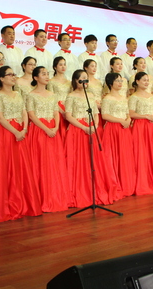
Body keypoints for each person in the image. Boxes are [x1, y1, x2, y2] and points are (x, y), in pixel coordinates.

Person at [0, 66, 42, 222]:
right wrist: (15, 132)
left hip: (20, 132)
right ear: (2, 78)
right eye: (9, 75)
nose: (13, 77)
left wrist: (24, 129)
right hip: (5, 133)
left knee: (21, 166)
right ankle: (4, 205)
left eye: (13, 74)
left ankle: (24, 203)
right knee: (5, 167)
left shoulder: (18, 94)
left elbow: (24, 112)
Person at [64, 69, 120, 207]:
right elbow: (68, 116)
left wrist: (94, 124)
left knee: (93, 161)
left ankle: (94, 190)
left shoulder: (90, 95)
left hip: (91, 129)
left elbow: (95, 112)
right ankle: (79, 191)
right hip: (77, 131)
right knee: (78, 161)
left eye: (86, 78)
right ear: (76, 80)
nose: (85, 81)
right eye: (82, 78)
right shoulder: (71, 96)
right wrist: (83, 128)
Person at [25, 66, 69, 212]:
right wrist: (46, 129)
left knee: (54, 162)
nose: (46, 76)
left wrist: (55, 127)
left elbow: (56, 112)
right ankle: (42, 197)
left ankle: (55, 195)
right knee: (41, 162)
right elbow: (32, 115)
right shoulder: (31, 95)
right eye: (43, 74)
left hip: (52, 129)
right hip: (39, 131)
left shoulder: (52, 94)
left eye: (47, 73)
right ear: (35, 77)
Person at [101, 72, 136, 197]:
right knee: (114, 155)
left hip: (124, 128)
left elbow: (127, 113)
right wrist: (121, 121)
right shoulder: (107, 98)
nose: (120, 83)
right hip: (113, 129)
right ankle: (115, 182)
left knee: (125, 155)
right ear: (111, 83)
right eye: (117, 81)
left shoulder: (123, 98)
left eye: (121, 81)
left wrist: (128, 120)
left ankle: (127, 184)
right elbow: (105, 115)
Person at [47, 56, 71, 137]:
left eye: (64, 64)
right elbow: (51, 98)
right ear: (55, 67)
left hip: (68, 107)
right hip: (57, 108)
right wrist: (61, 111)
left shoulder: (69, 82)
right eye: (60, 65)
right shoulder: (51, 81)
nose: (63, 66)